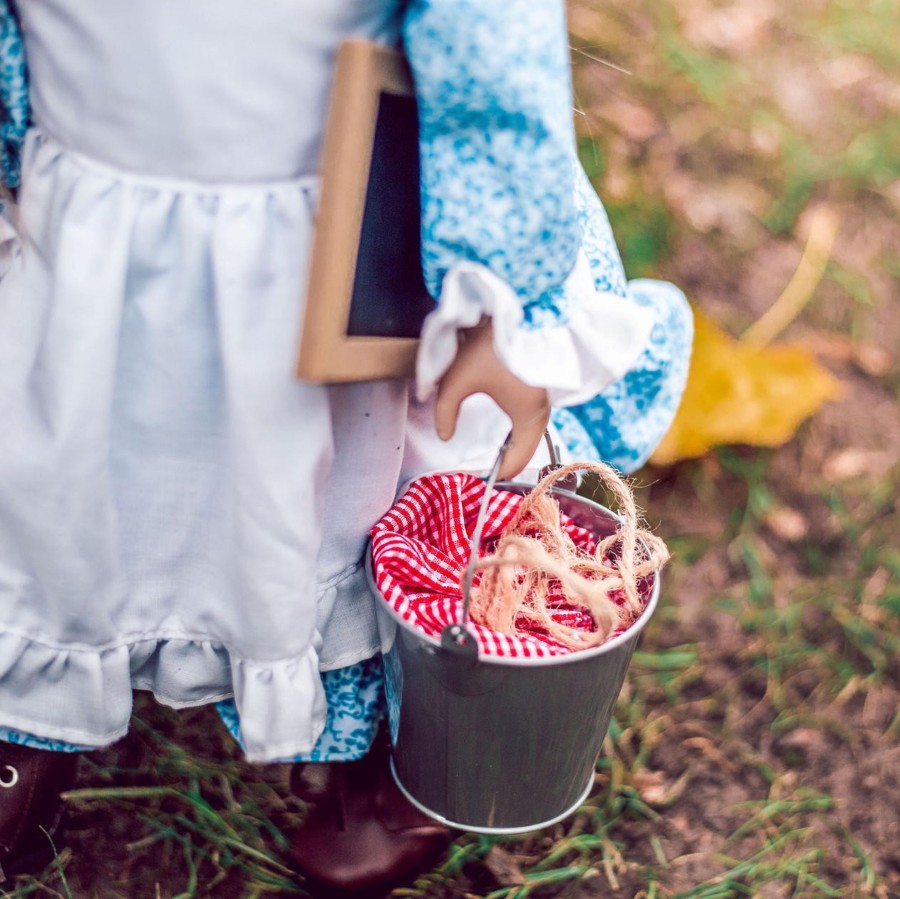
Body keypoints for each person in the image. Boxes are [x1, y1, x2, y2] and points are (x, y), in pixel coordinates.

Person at [0, 0, 692, 892]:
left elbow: (488, 38)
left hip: (348, 220)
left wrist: (498, 290)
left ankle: (386, 727)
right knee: (70, 448)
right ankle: (37, 704)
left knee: (363, 477)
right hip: (91, 203)